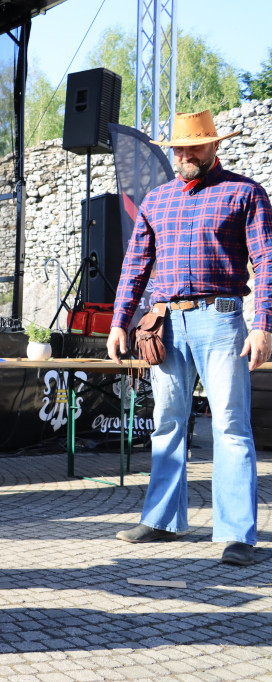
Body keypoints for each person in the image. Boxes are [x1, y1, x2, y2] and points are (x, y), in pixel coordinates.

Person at [107, 110, 272, 567]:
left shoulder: (244, 193)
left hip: (222, 320)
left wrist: (263, 324)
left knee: (231, 426)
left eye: (195, 146)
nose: (184, 155)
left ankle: (238, 534)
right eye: (178, 148)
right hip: (167, 324)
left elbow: (267, 261)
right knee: (167, 423)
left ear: (216, 146)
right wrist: (120, 322)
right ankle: (162, 520)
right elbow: (134, 266)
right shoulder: (157, 200)